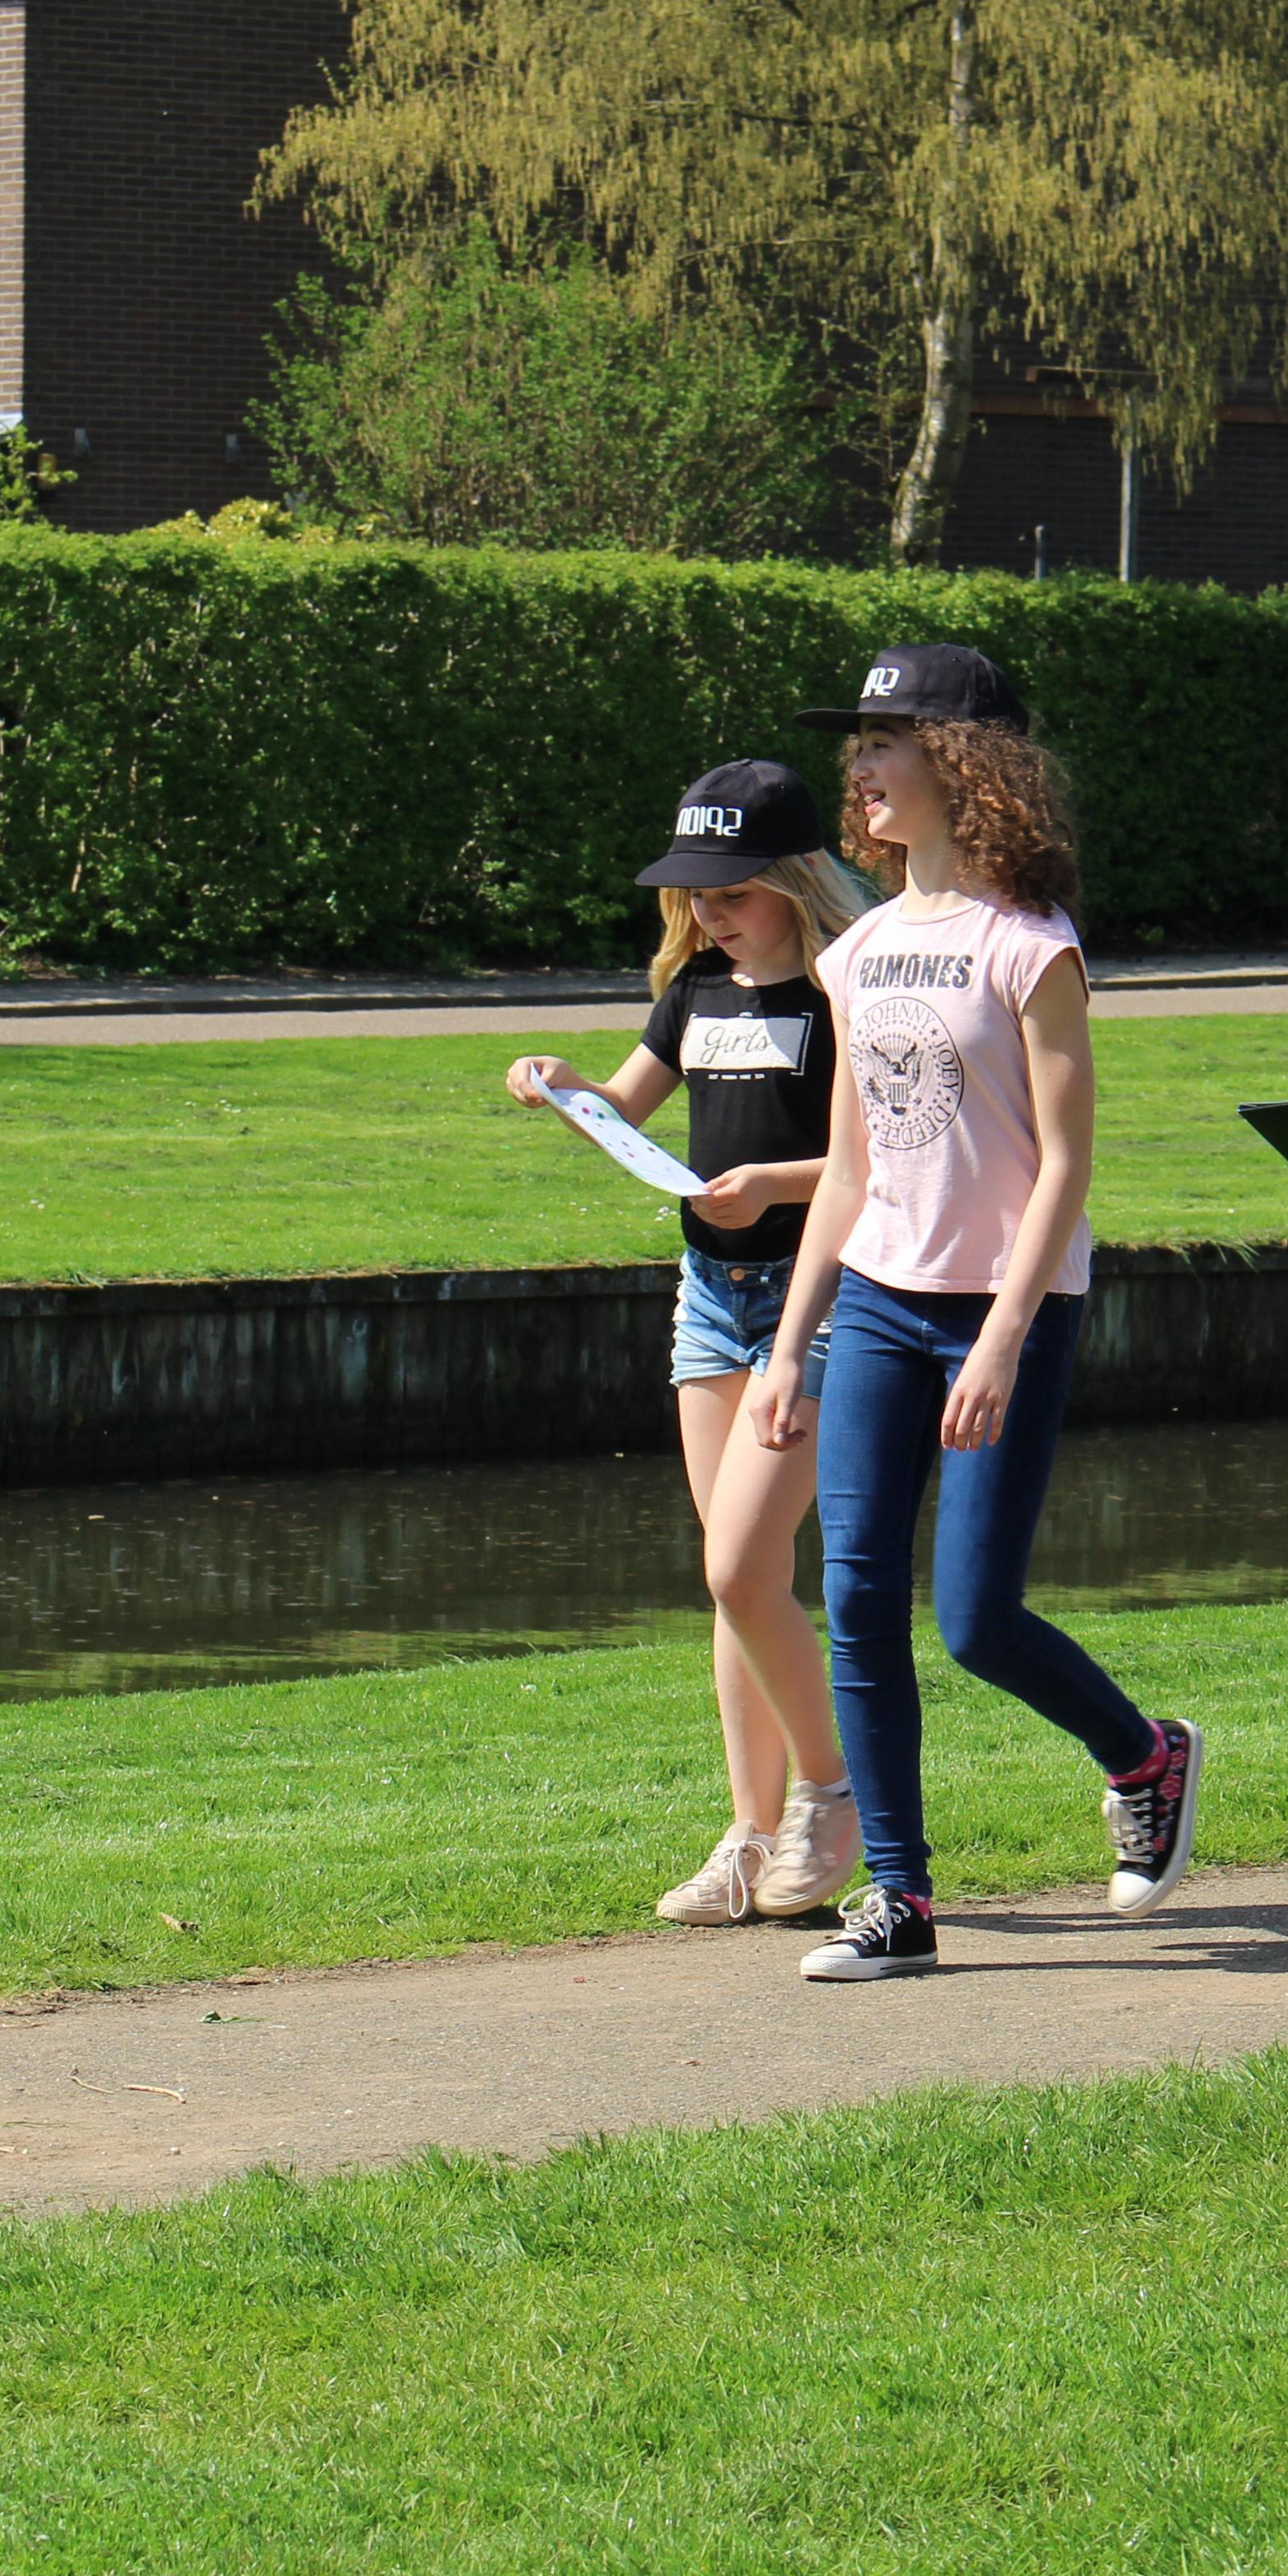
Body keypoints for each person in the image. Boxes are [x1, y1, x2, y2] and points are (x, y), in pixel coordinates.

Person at [754, 643, 1208, 1979]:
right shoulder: (860, 953)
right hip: (880, 1310)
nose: (862, 767)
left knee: (971, 1620)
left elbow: (1066, 1160)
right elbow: (848, 1164)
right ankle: (898, 1901)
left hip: (1004, 1312)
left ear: (963, 763)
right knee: (851, 1598)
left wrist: (1007, 1331)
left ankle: (1143, 1753)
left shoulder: (1030, 947)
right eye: (861, 746)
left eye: (885, 741)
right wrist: (794, 1340)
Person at [504, 761, 868, 1923]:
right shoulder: (696, 994)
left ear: (796, 879)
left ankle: (831, 1793)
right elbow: (627, 1108)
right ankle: (751, 1836)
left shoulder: (843, 995)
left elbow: (885, 1165)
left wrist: (774, 1183)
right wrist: (566, 1090)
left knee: (738, 1565)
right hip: (709, 1295)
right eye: (698, 891)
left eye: (736, 890)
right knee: (738, 1583)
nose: (712, 911)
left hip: (817, 1297)